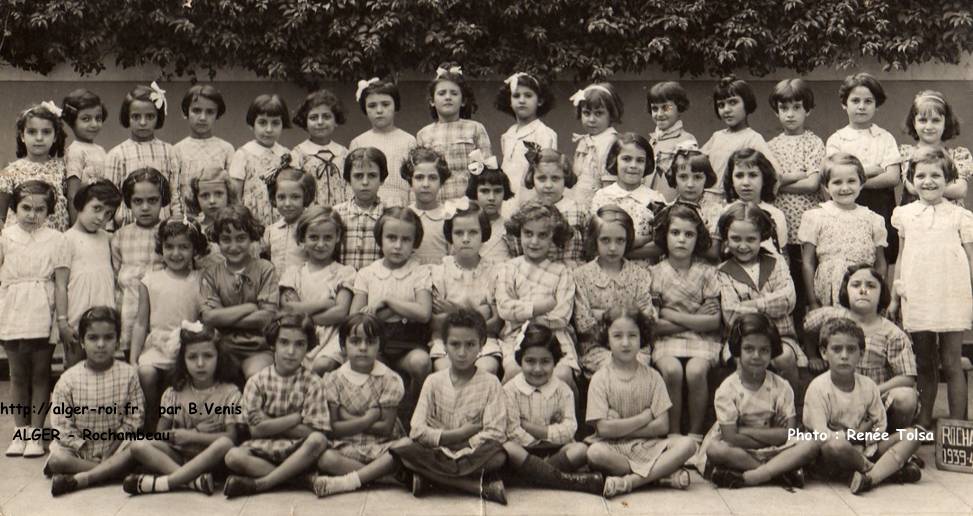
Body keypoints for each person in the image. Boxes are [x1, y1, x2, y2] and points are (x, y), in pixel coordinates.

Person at [390, 309, 509, 505]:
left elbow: (496, 433)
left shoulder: (490, 383)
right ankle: (472, 487)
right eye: (455, 344)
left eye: (470, 345)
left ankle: (431, 479)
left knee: (499, 456)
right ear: (444, 346)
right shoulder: (433, 381)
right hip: (439, 452)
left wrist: (447, 437)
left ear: (482, 346)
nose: (462, 352)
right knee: (403, 448)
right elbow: (416, 430)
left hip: (471, 454)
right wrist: (461, 433)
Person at [890, 147, 973, 427]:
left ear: (948, 179)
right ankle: (924, 421)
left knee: (952, 361)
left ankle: (958, 425)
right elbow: (901, 257)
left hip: (952, 293)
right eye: (921, 175)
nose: (928, 181)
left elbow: (971, 259)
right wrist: (894, 296)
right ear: (910, 181)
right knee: (924, 361)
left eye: (936, 175)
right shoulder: (904, 214)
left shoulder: (960, 216)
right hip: (918, 293)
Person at [586, 306, 698, 497]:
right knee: (594, 453)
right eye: (617, 336)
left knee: (688, 445)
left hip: (649, 447)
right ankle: (659, 476)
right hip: (614, 449)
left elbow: (662, 426)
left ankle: (630, 482)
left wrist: (619, 427)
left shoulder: (653, 377)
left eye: (632, 335)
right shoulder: (600, 379)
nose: (625, 342)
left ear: (642, 338)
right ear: (607, 339)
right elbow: (603, 430)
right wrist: (645, 417)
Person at [804, 318, 922, 495]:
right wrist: (856, 434)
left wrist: (866, 437)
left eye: (851, 349)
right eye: (836, 349)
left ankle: (870, 478)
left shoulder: (868, 386)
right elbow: (822, 434)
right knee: (836, 444)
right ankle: (884, 471)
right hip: (832, 454)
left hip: (867, 447)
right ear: (823, 352)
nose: (844, 355)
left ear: (861, 353)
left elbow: (880, 425)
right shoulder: (818, 387)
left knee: (914, 434)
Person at [123, 321, 242, 495]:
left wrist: (193, 435)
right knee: (138, 446)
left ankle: (167, 482)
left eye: (208, 356)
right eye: (192, 357)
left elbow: (231, 437)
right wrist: (174, 436)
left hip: (211, 460)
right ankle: (193, 481)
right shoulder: (173, 393)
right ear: (183, 360)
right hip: (178, 457)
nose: (200, 363)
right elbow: (160, 435)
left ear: (219, 357)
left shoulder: (230, 393)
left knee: (224, 444)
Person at [222, 311, 330, 497]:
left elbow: (314, 432)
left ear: (308, 348)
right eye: (284, 342)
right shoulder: (258, 381)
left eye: (299, 344)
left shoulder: (313, 382)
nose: (291, 351)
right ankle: (300, 480)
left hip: (299, 451)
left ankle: (261, 484)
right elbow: (255, 431)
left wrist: (269, 421)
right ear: (273, 344)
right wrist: (296, 419)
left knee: (318, 441)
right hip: (263, 449)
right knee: (233, 457)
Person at [705, 313, 818, 489]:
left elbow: (787, 434)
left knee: (811, 443)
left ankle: (756, 475)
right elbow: (731, 437)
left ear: (772, 352)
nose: (756, 356)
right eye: (749, 349)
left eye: (764, 350)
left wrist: (743, 430)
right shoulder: (727, 390)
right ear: (737, 350)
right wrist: (773, 434)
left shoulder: (781, 386)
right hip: (742, 451)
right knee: (715, 449)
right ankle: (779, 473)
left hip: (776, 450)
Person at [803, 265, 918, 430]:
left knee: (906, 397)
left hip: (876, 398)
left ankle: (885, 436)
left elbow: (907, 377)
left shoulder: (892, 333)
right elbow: (807, 328)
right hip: (837, 395)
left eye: (871, 286)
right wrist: (812, 355)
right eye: (856, 285)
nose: (863, 290)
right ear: (845, 290)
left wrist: (872, 392)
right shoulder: (831, 316)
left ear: (881, 294)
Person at [1, 181, 68, 458]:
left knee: (41, 375)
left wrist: (61, 318)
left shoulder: (56, 239)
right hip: (12, 307)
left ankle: (37, 435)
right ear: (15, 209)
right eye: (26, 208)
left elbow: (62, 284)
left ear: (49, 211)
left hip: (43, 307)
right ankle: (21, 433)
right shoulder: (5, 237)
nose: (32, 214)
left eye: (40, 209)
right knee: (17, 375)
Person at [312, 314, 411, 497]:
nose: (363, 348)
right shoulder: (333, 380)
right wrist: (370, 417)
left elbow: (386, 428)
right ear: (343, 346)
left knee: (404, 448)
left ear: (379, 345)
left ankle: (348, 481)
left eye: (370, 342)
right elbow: (334, 429)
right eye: (355, 341)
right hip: (348, 446)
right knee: (326, 458)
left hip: (383, 446)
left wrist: (348, 418)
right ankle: (388, 478)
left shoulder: (389, 379)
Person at [48, 307, 144, 496]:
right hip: (80, 451)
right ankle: (108, 471)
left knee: (138, 449)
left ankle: (86, 476)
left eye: (108, 337)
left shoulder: (128, 374)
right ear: (82, 342)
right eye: (93, 338)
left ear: (117, 341)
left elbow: (134, 417)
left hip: (116, 447)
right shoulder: (68, 379)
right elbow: (62, 426)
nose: (101, 344)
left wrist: (111, 451)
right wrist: (82, 448)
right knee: (56, 460)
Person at [502, 322, 604, 494]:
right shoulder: (510, 390)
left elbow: (569, 429)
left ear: (555, 361)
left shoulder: (563, 390)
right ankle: (564, 480)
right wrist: (548, 433)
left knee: (580, 450)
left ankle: (526, 478)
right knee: (508, 448)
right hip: (524, 451)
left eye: (545, 361)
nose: (537, 368)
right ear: (520, 360)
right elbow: (513, 431)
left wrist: (532, 428)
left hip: (556, 451)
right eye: (530, 361)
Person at [650, 203, 720, 439]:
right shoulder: (654, 273)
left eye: (689, 234)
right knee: (671, 370)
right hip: (666, 339)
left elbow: (713, 322)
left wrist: (671, 314)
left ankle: (695, 434)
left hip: (703, 339)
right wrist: (696, 316)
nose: (682, 240)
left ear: (697, 238)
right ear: (665, 235)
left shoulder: (708, 272)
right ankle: (673, 433)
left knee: (696, 370)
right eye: (675, 233)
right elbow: (655, 326)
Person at [130, 218, 207, 432]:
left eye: (184, 247)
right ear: (161, 248)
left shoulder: (200, 279)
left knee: (179, 375)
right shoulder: (150, 280)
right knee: (146, 372)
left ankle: (174, 422)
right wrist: (133, 359)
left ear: (194, 249)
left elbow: (205, 318)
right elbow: (140, 322)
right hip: (157, 345)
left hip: (188, 345)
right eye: (169, 247)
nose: (176, 253)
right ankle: (152, 415)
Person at [495, 201, 579, 393]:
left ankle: (573, 421)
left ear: (553, 237)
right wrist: (540, 307)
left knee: (562, 375)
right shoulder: (509, 268)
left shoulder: (562, 272)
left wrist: (523, 311)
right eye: (528, 233)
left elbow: (562, 315)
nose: (534, 241)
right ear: (520, 233)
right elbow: (505, 308)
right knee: (515, 371)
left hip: (554, 336)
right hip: (517, 335)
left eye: (543, 235)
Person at [716, 203, 803, 388]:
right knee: (743, 360)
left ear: (761, 238)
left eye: (751, 239)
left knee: (784, 357)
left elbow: (788, 300)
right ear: (726, 238)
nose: (743, 245)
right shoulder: (723, 272)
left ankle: (791, 406)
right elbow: (731, 314)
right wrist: (769, 305)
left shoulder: (776, 261)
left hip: (781, 335)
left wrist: (751, 305)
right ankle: (745, 408)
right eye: (735, 238)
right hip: (741, 339)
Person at [349, 207, 433, 396]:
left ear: (415, 242)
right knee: (368, 367)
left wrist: (388, 301)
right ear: (380, 239)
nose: (398, 245)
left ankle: (414, 407)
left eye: (406, 240)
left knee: (421, 362)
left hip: (409, 342)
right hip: (374, 342)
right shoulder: (368, 273)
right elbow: (355, 317)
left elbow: (424, 313)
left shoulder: (419, 272)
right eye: (391, 238)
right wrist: (393, 311)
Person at [825, 72, 902, 265]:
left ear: (876, 104)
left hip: (880, 205)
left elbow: (892, 177)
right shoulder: (837, 139)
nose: (861, 106)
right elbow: (832, 174)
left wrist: (851, 178)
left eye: (868, 101)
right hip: (846, 205)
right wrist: (871, 169)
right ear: (844, 104)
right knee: (849, 257)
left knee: (880, 258)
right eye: (855, 100)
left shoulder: (884, 137)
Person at [573, 206, 655, 376]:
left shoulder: (640, 275)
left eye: (620, 240)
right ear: (595, 240)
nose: (612, 247)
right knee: (612, 368)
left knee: (636, 366)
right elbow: (584, 323)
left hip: (635, 347)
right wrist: (629, 313)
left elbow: (646, 318)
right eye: (605, 240)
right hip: (596, 348)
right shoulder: (581, 276)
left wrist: (599, 314)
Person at [799, 153, 888, 308]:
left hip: (862, 290)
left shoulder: (874, 219)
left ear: (861, 183)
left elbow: (880, 263)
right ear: (826, 186)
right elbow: (808, 262)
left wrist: (877, 296)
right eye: (837, 182)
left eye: (851, 181)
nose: (845, 188)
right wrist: (812, 301)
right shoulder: (815, 217)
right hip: (828, 291)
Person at [199, 205, 278, 379]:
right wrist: (250, 307)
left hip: (258, 347)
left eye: (241, 238)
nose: (234, 246)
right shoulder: (211, 273)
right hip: (222, 346)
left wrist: (224, 317)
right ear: (218, 241)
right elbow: (209, 318)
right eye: (226, 239)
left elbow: (265, 318)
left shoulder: (265, 269)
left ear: (251, 238)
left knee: (255, 375)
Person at [279, 206, 355, 376]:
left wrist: (305, 314)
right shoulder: (294, 273)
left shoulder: (344, 273)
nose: (321, 244)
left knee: (322, 365)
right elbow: (289, 309)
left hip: (331, 338)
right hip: (299, 336)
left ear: (337, 238)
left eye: (328, 237)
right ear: (302, 239)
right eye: (313, 237)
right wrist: (326, 303)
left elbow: (341, 312)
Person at [429, 204, 502, 374]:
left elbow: (496, 324)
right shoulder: (440, 272)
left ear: (483, 234)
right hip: (447, 341)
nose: (466, 239)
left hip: (484, 341)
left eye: (473, 232)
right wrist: (479, 312)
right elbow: (436, 323)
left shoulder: (495, 271)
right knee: (445, 371)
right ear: (450, 235)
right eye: (459, 233)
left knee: (487, 369)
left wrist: (455, 310)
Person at [55, 180, 122, 367]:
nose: (102, 217)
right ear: (81, 204)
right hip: (76, 319)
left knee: (104, 369)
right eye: (97, 208)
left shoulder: (107, 238)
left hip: (104, 317)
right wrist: (62, 322)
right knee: (75, 370)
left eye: (108, 213)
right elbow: (60, 284)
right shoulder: (66, 239)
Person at [105, 83, 183, 225]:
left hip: (163, 227)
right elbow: (109, 198)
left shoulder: (169, 151)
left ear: (158, 117)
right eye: (136, 117)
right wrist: (109, 229)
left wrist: (177, 222)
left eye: (149, 116)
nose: (143, 122)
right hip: (127, 228)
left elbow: (175, 192)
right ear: (126, 117)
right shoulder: (116, 154)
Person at [415, 63, 493, 201]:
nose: (448, 97)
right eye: (442, 93)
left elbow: (487, 171)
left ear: (463, 101)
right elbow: (419, 175)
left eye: (454, 93)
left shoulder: (475, 128)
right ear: (432, 101)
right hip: (436, 202)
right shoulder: (423, 134)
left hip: (468, 204)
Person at [112, 168, 168, 352]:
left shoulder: (169, 233)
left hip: (161, 308)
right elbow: (116, 275)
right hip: (130, 310)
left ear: (163, 200)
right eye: (138, 201)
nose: (145, 207)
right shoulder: (121, 236)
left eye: (152, 201)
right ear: (129, 202)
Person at [701, 76, 780, 204]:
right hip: (707, 200)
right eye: (721, 105)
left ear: (747, 103)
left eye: (733, 102)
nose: (726, 109)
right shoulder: (717, 136)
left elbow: (775, 173)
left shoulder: (753, 138)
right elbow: (698, 163)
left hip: (734, 203)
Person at [590, 133, 665, 259]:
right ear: (615, 160)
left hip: (645, 272)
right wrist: (644, 240)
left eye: (640, 160)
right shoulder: (602, 197)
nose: (633, 165)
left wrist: (619, 253)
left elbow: (660, 246)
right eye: (626, 159)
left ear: (647, 163)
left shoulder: (655, 199)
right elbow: (594, 241)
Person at [0, 101, 70, 231]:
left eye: (46, 132)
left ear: (55, 136)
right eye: (32, 132)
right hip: (22, 246)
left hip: (55, 243)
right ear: (22, 136)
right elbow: (1, 216)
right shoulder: (10, 172)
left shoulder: (63, 170)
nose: (39, 138)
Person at [495, 71, 557, 214]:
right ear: (509, 101)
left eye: (528, 95)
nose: (522, 100)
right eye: (516, 96)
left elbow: (547, 170)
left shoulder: (545, 134)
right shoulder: (508, 135)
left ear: (540, 100)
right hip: (507, 200)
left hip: (532, 201)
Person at [349, 78, 416, 207]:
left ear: (395, 105)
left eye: (385, 104)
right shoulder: (358, 142)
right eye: (372, 105)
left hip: (400, 205)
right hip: (367, 204)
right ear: (365, 108)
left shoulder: (409, 141)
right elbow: (352, 181)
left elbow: (414, 180)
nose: (379, 110)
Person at [898, 90, 971, 206]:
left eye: (936, 120)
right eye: (923, 120)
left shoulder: (958, 156)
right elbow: (911, 187)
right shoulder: (907, 153)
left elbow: (960, 190)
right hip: (915, 218)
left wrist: (926, 189)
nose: (929, 126)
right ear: (913, 122)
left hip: (949, 219)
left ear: (945, 122)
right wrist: (943, 188)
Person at [229, 93, 291, 227]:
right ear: (252, 124)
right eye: (262, 122)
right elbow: (235, 197)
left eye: (275, 123)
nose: (269, 129)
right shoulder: (243, 155)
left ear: (283, 125)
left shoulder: (286, 155)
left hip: (282, 222)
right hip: (252, 223)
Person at [174, 84, 234, 214]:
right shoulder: (177, 150)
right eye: (196, 110)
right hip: (187, 219)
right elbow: (174, 191)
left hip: (219, 219)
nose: (202, 117)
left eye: (210, 112)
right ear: (186, 112)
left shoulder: (226, 149)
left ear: (217, 114)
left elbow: (231, 192)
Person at [290, 89, 351, 208]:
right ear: (305, 122)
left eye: (326, 117)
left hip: (340, 214)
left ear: (336, 121)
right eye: (313, 118)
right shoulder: (298, 154)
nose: (320, 122)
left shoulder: (344, 153)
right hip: (310, 216)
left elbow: (350, 186)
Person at [332, 147, 387, 270]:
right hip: (342, 285)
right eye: (358, 176)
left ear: (382, 179)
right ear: (348, 179)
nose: (365, 182)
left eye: (372, 175)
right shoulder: (336, 214)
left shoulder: (389, 215)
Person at [570, 82, 622, 208]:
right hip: (580, 204)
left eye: (598, 113)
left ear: (611, 114)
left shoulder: (610, 142)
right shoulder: (584, 141)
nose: (591, 119)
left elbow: (609, 186)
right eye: (586, 113)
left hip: (598, 207)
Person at [62, 89, 109, 223]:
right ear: (72, 121)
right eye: (86, 119)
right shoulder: (76, 151)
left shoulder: (100, 150)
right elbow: (73, 195)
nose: (94, 124)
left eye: (98, 118)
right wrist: (76, 228)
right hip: (83, 218)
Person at [646, 81, 697, 202]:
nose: (659, 114)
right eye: (654, 108)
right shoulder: (653, 140)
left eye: (666, 108)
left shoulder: (687, 141)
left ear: (679, 108)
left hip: (672, 204)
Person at [262, 163, 315, 274]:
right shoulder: (271, 230)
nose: (287, 203)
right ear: (274, 198)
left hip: (302, 286)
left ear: (305, 197)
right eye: (281, 197)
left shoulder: (311, 227)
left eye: (295, 197)